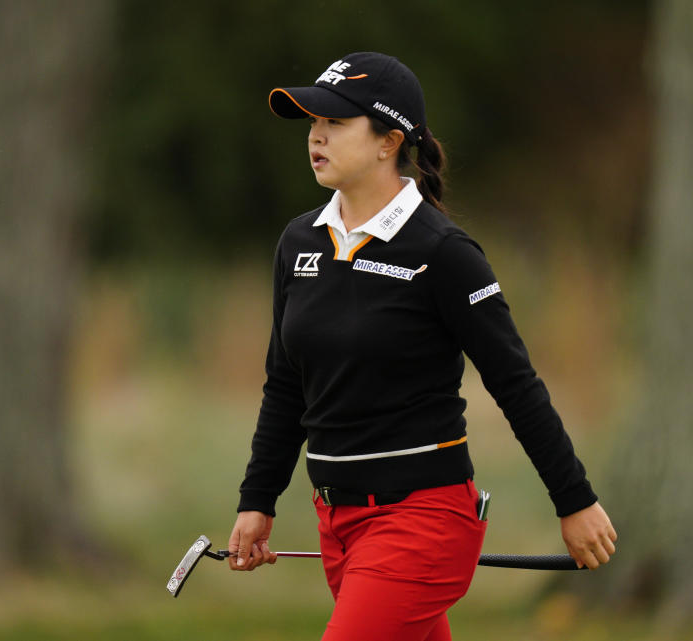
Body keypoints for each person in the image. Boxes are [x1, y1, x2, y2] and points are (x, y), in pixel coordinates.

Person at [227, 52, 617, 641]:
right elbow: (286, 384)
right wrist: (258, 500)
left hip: (423, 519)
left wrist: (575, 501)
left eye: (335, 122)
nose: (316, 136)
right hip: (336, 521)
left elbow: (514, 382)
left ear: (389, 140)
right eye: (313, 123)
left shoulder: (444, 251)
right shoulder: (298, 242)